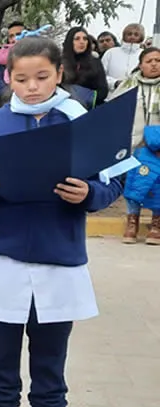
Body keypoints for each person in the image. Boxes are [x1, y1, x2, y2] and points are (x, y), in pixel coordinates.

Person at [0, 36, 123, 407]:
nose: (31, 87)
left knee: (51, 347)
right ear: (9, 77)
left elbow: (114, 179)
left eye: (42, 77)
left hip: (57, 252)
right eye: (21, 78)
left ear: (59, 74)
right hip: (1, 252)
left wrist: (90, 195)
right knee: (2, 345)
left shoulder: (80, 122)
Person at [110, 47, 160, 243]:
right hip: (133, 144)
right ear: (140, 65)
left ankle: (156, 224)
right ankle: (132, 222)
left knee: (158, 184)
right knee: (134, 183)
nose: (154, 64)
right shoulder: (128, 85)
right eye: (149, 61)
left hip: (158, 147)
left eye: (158, 60)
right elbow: (114, 111)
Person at [62, 27, 108, 107]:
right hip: (63, 107)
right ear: (69, 42)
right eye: (77, 39)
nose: (82, 42)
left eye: (85, 39)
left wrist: (84, 98)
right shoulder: (59, 62)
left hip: (88, 109)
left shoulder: (95, 62)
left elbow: (103, 91)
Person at [101, 23, 145, 91]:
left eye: (136, 34)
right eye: (129, 34)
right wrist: (115, 83)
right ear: (124, 36)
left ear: (141, 37)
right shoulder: (111, 53)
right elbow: (100, 75)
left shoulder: (145, 54)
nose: (132, 37)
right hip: (112, 96)